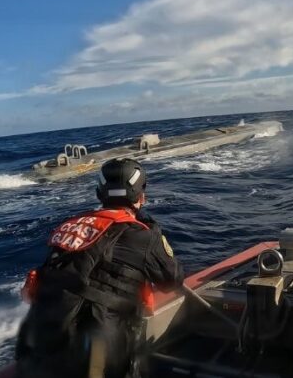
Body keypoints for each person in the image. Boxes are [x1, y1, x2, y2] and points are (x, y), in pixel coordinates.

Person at [15, 158, 184, 378]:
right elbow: (172, 280)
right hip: (95, 358)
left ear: (99, 193)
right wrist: (151, 230)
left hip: (36, 350)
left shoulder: (70, 225)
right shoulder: (143, 235)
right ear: (141, 197)